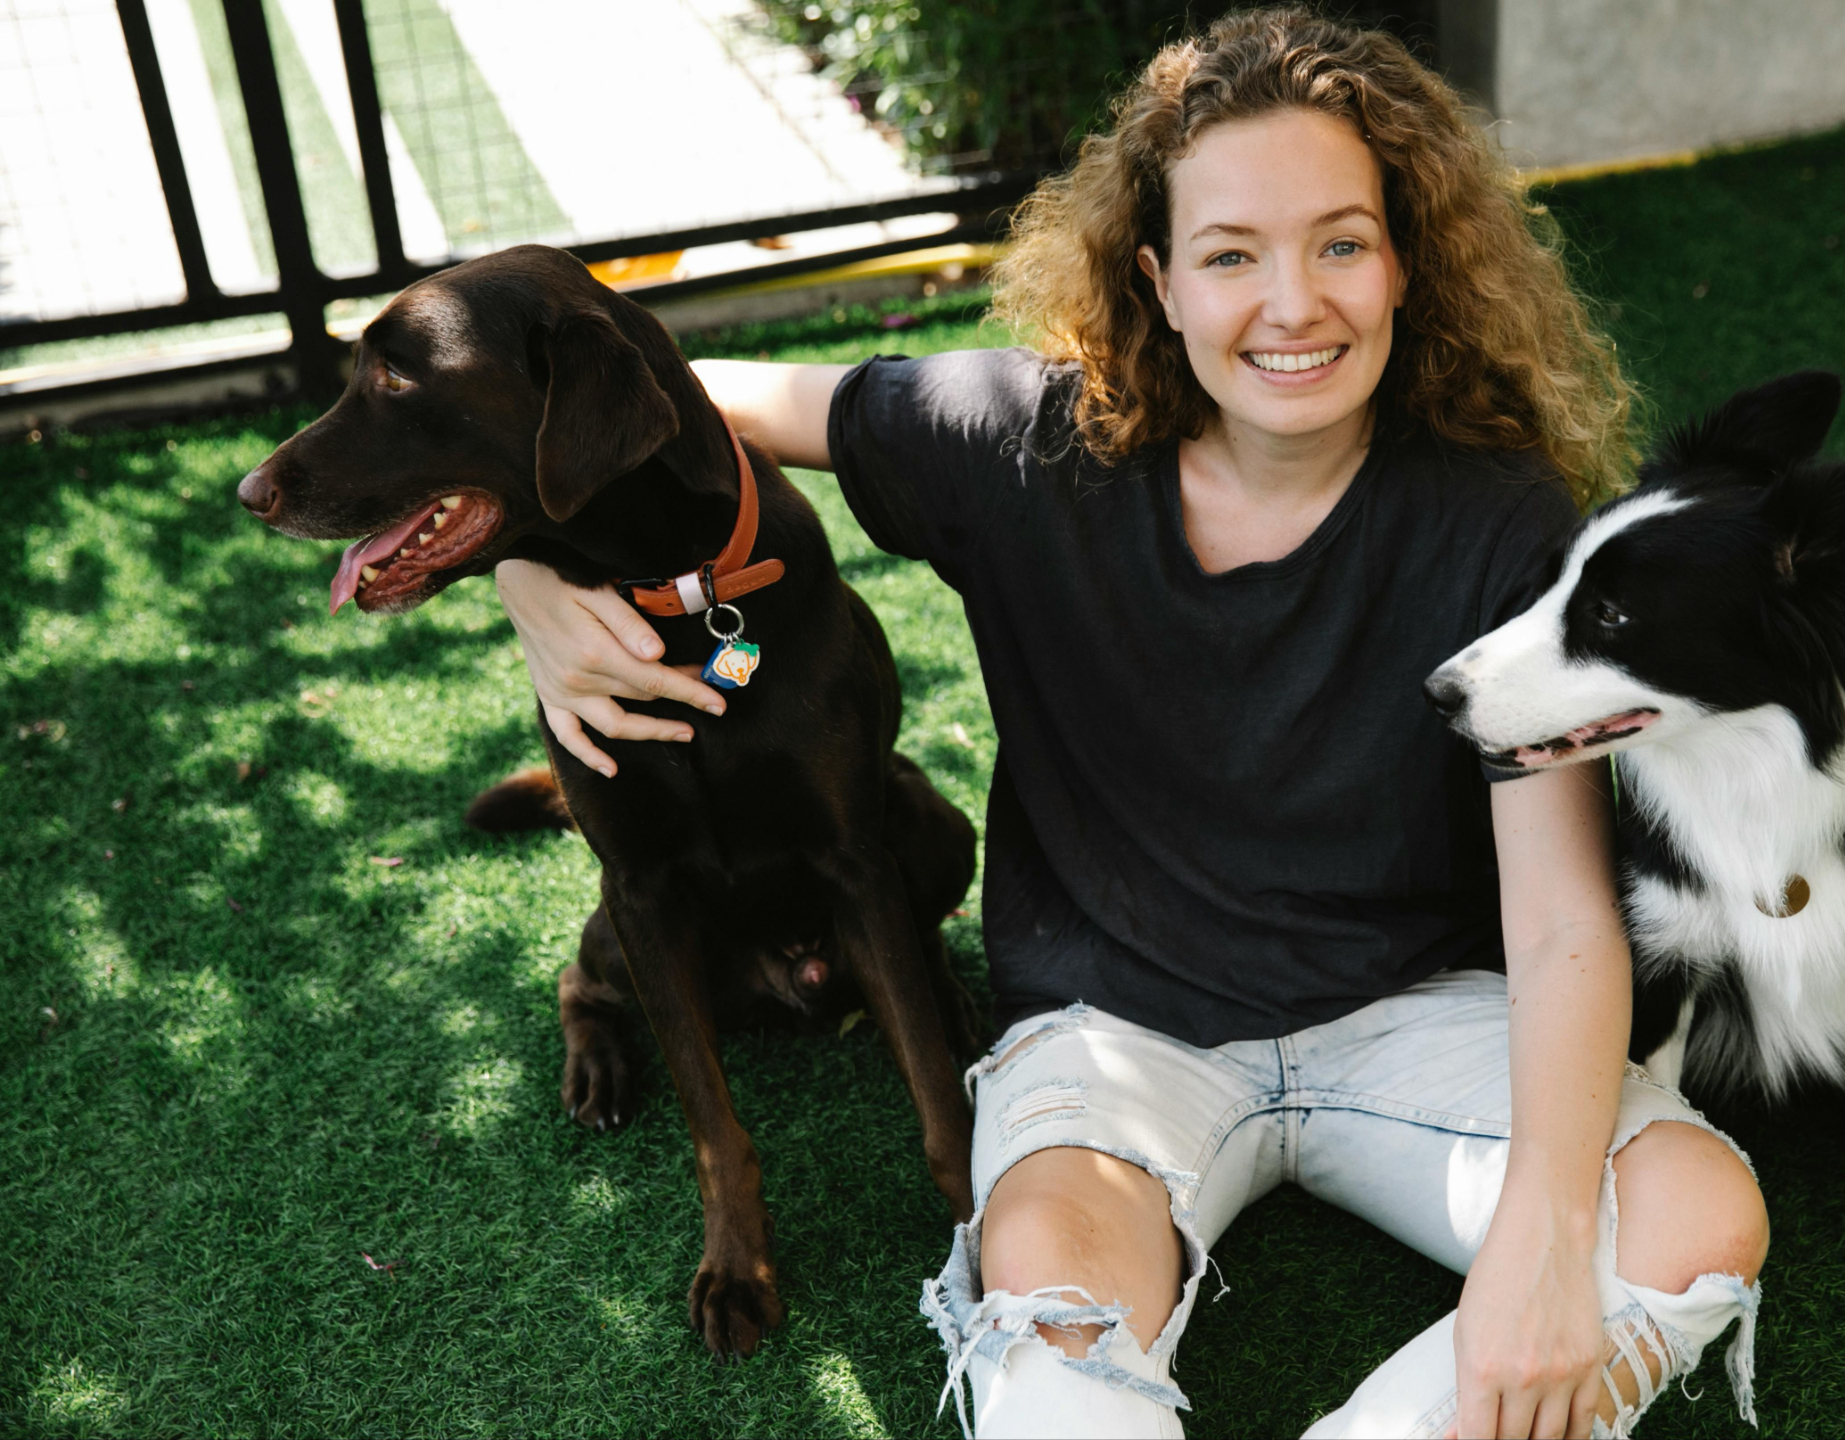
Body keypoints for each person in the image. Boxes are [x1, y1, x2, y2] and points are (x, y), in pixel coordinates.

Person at [494, 10, 1769, 1437]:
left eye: (1342, 241)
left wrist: (1540, 1242)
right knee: (1047, 1320)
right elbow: (675, 395)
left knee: (1695, 1216)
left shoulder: (1500, 519)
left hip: (1411, 1017)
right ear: (1156, 280)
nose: (1294, 303)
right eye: (1231, 254)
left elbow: (1559, 925)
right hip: (1116, 1043)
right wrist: (528, 572)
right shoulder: (1024, 447)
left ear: (1408, 260)